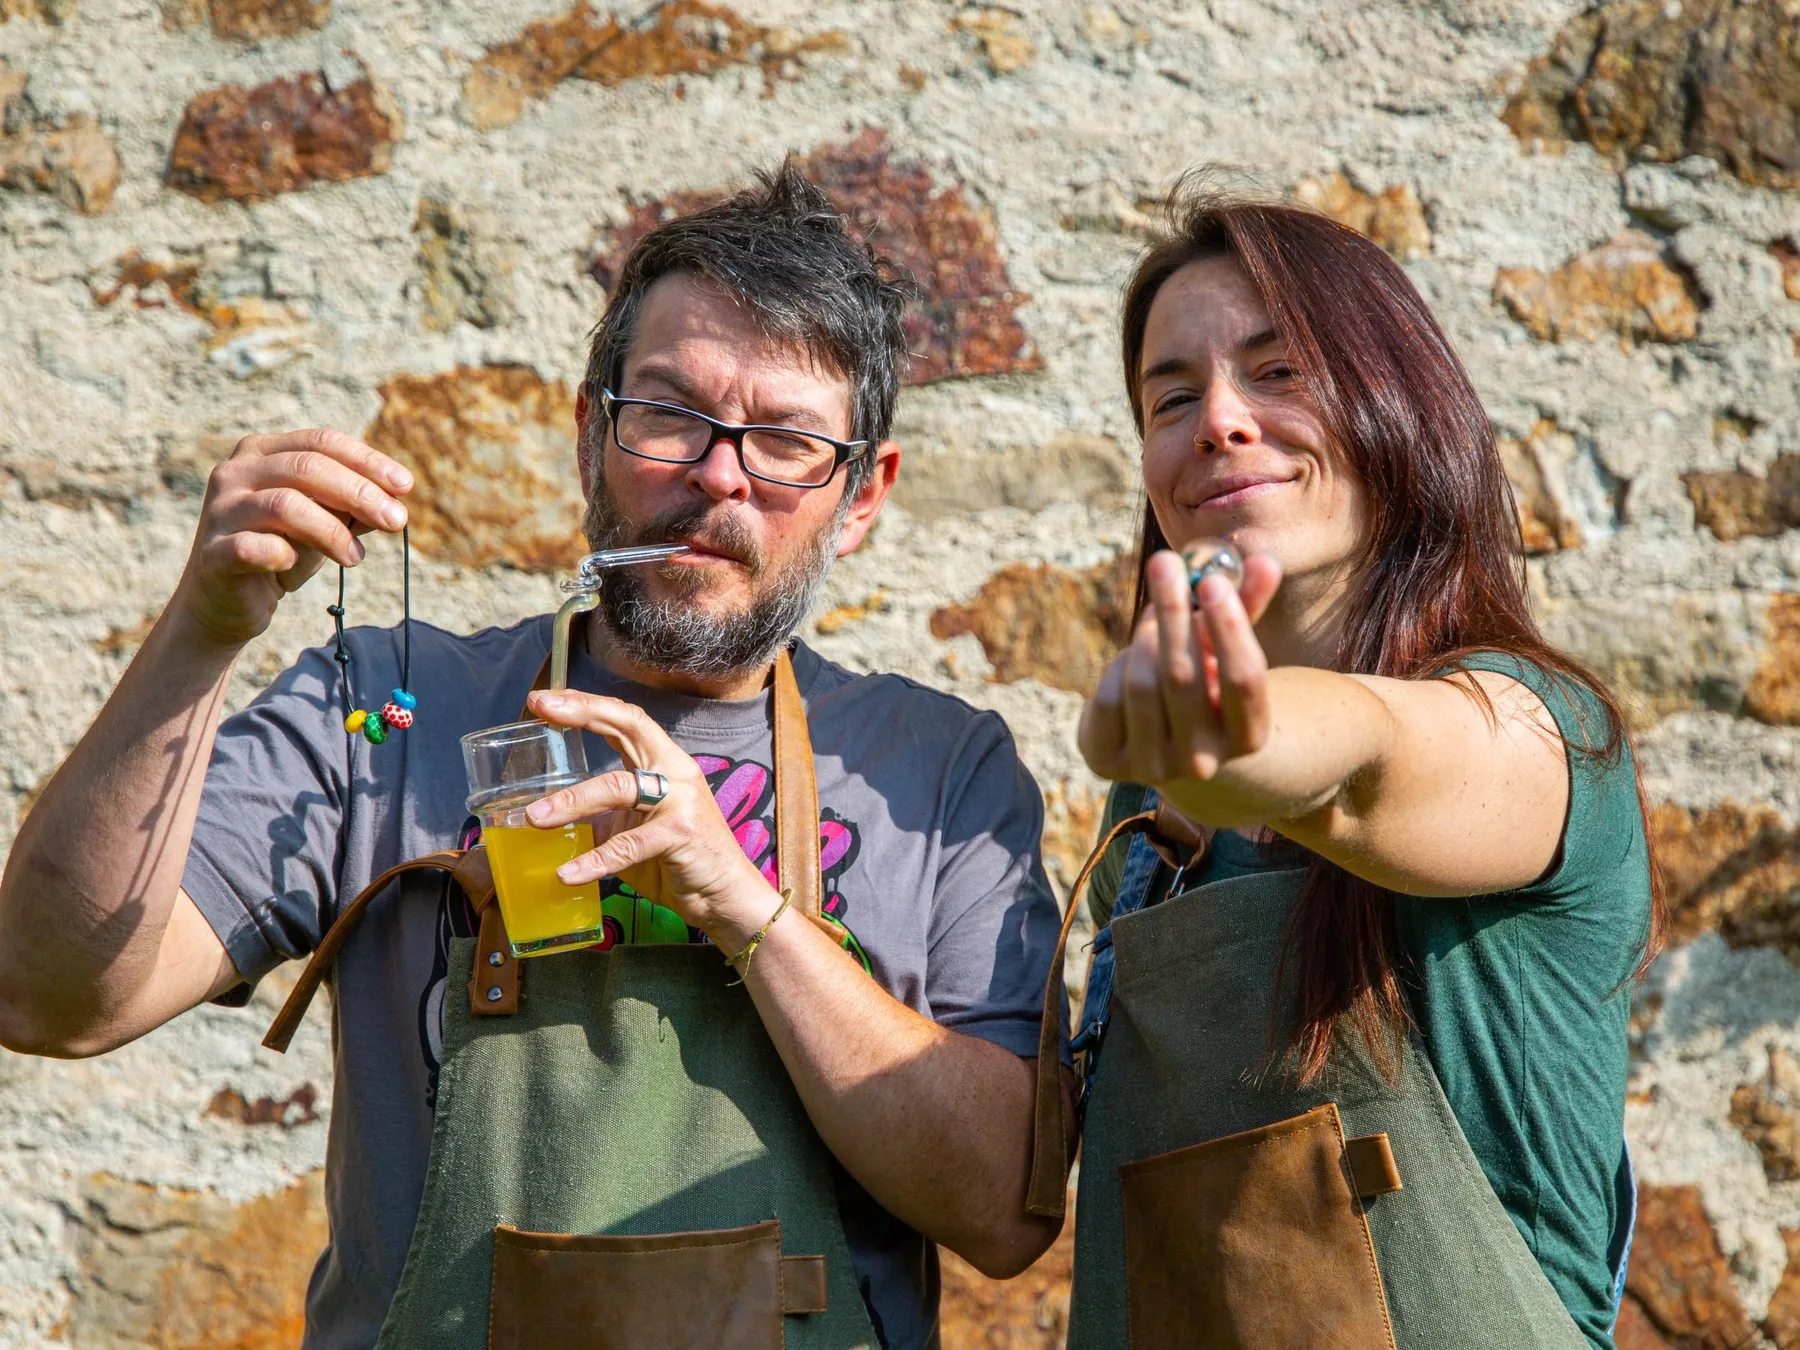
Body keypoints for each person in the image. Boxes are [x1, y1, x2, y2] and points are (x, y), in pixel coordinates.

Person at [0, 164, 1070, 1349]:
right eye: (671, 413)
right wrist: (203, 629)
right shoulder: (391, 707)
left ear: (862, 498)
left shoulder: (942, 769)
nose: (719, 476)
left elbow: (1005, 1213)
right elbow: (49, 998)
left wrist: (748, 914)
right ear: (588, 431)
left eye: (784, 444)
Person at [1032, 183, 1662, 1350]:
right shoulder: (1153, 815)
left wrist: (1242, 752)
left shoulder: (1538, 734)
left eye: (1278, 373)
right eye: (1172, 396)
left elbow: (1372, 756)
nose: (1219, 419)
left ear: (1401, 407)